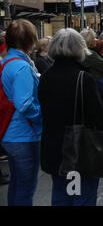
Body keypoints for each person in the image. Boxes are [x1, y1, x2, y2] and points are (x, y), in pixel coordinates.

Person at [38, 29, 103, 206]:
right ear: (80, 48)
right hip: (77, 152)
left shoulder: (45, 77)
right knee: (80, 197)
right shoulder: (83, 78)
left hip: (54, 148)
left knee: (62, 196)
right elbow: (100, 118)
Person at [1, 19, 42, 206]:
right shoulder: (21, 66)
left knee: (17, 185)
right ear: (30, 41)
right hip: (23, 134)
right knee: (25, 187)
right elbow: (25, 104)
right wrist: (43, 114)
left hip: (12, 133)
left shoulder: (7, 61)